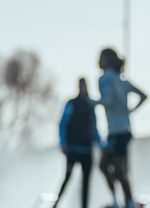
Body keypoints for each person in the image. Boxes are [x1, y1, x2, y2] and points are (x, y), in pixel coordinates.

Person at [98, 48, 147, 208]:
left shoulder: (105, 78)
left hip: (117, 132)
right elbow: (143, 95)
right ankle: (125, 202)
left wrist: (91, 102)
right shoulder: (122, 80)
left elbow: (109, 101)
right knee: (117, 169)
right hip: (124, 131)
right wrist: (131, 110)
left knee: (109, 166)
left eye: (101, 58)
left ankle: (124, 202)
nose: (98, 60)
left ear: (107, 60)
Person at [55, 78, 103, 208]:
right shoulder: (71, 103)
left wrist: (101, 145)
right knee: (67, 178)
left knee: (86, 183)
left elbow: (94, 127)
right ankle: (56, 204)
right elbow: (62, 124)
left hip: (87, 150)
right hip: (73, 149)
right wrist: (63, 143)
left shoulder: (90, 106)